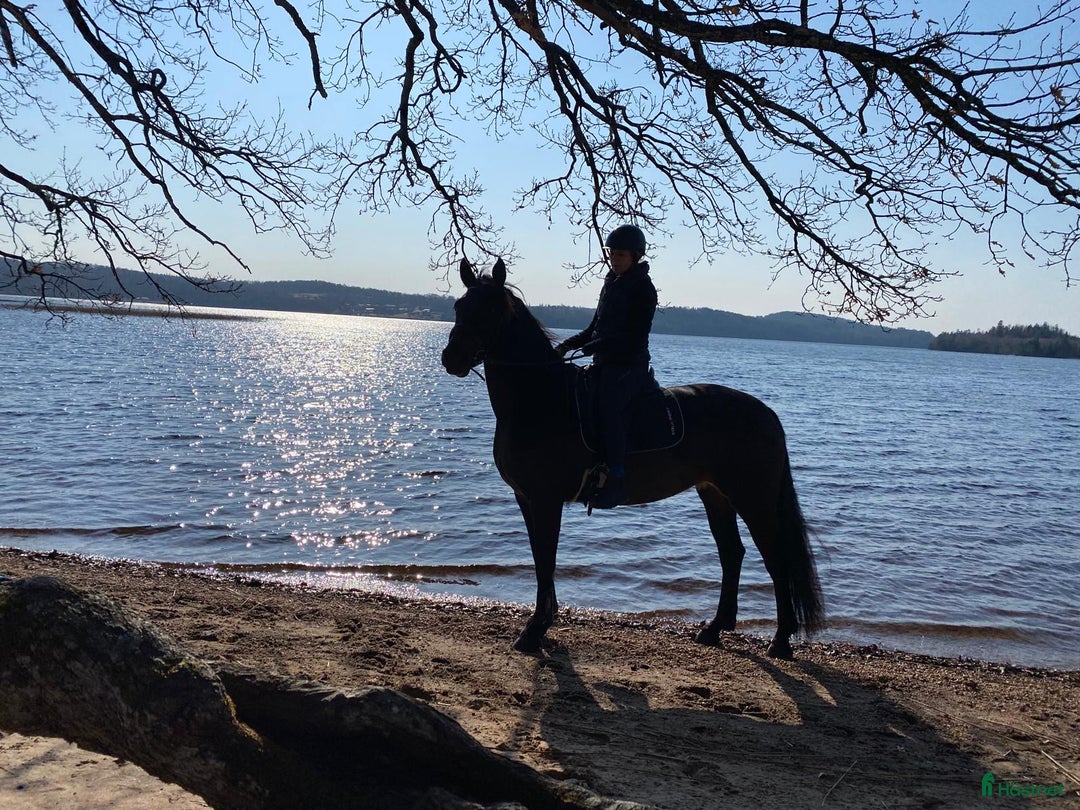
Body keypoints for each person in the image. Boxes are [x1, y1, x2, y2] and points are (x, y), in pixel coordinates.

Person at [556, 224, 658, 509]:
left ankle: (617, 479)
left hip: (629, 367)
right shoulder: (610, 283)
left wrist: (592, 348)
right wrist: (565, 346)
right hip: (604, 363)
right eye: (612, 254)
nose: (615, 259)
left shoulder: (643, 290)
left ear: (635, 256)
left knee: (609, 409)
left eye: (621, 255)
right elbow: (595, 328)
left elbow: (630, 338)